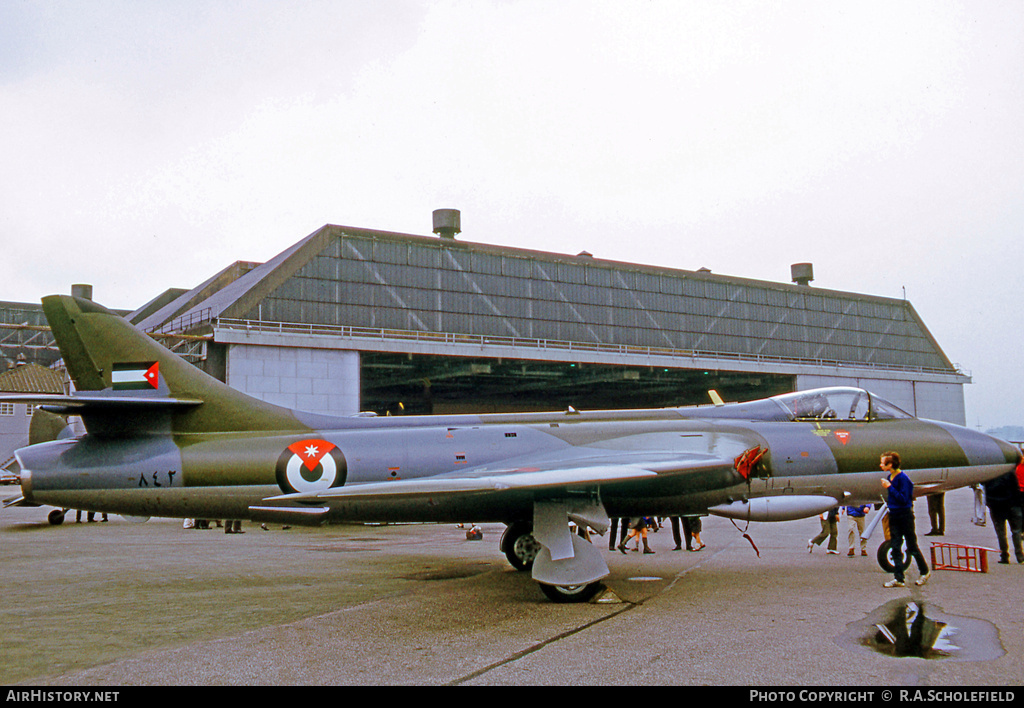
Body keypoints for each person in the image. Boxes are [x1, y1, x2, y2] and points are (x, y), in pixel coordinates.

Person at [880, 451, 930, 587]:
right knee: (895, 547)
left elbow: (904, 498)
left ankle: (924, 571)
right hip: (894, 514)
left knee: (911, 546)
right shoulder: (889, 476)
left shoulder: (903, 479)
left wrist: (889, 487)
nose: (880, 465)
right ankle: (899, 578)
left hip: (905, 515)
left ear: (890, 464)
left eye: (883, 463)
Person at [983, 468, 1023, 565]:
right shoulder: (1009, 472)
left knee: (1001, 533)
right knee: (1016, 531)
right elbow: (1016, 488)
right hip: (1012, 505)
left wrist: (990, 504)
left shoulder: (989, 475)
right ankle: (1020, 556)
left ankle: (1004, 555)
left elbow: (984, 491)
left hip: (996, 507)